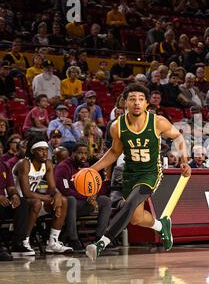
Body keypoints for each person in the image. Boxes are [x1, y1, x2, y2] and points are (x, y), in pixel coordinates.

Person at [83, 83, 191, 261]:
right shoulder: (117, 126)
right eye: (132, 99)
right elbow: (115, 152)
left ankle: (101, 244)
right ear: (125, 102)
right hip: (129, 173)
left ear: (147, 104)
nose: (136, 103)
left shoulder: (158, 122)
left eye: (141, 99)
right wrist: (92, 169)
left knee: (129, 204)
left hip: (150, 173)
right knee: (136, 218)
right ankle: (161, 225)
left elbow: (178, 137)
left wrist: (184, 161)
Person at [13, 136, 73, 254]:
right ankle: (24, 241)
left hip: (32, 201)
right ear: (32, 151)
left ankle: (53, 242)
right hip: (17, 202)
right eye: (40, 150)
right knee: (36, 203)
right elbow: (26, 193)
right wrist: (50, 198)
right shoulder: (24, 163)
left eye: (46, 149)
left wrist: (57, 195)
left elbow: (51, 187)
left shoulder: (48, 164)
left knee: (64, 201)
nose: (45, 153)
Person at [55, 143, 112, 251]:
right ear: (72, 154)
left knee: (105, 201)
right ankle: (73, 239)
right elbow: (64, 190)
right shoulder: (63, 167)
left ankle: (100, 238)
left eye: (85, 153)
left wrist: (94, 196)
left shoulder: (86, 167)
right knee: (70, 200)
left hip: (83, 203)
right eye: (80, 153)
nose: (83, 156)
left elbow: (94, 186)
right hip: (67, 206)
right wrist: (86, 197)